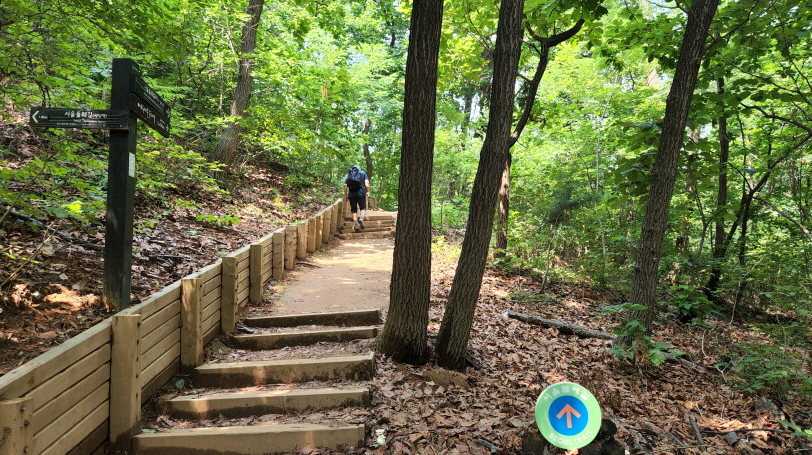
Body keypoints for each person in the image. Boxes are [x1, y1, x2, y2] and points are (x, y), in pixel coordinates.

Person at [344, 165, 370, 231]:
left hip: (351, 194)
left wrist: (346, 195)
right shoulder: (363, 173)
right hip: (360, 193)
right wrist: (368, 191)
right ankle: (361, 219)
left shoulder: (348, 174)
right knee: (363, 208)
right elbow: (367, 183)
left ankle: (356, 223)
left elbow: (345, 185)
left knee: (354, 210)